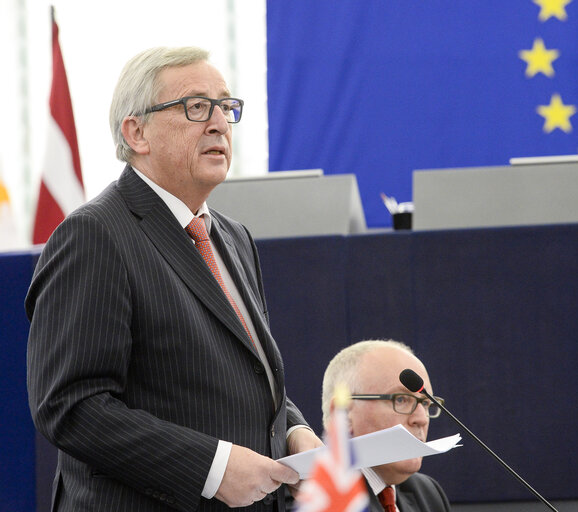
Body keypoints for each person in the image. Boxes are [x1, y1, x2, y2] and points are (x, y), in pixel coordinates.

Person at [26, 46, 322, 512]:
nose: (220, 123)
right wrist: (212, 467)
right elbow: (71, 406)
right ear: (136, 132)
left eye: (226, 107)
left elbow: (246, 374)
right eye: (196, 106)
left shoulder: (233, 237)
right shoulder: (95, 235)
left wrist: (292, 430)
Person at [321, 340, 451, 512]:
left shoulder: (428, 494)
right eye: (400, 399)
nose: (421, 419)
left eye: (426, 403)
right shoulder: (314, 497)